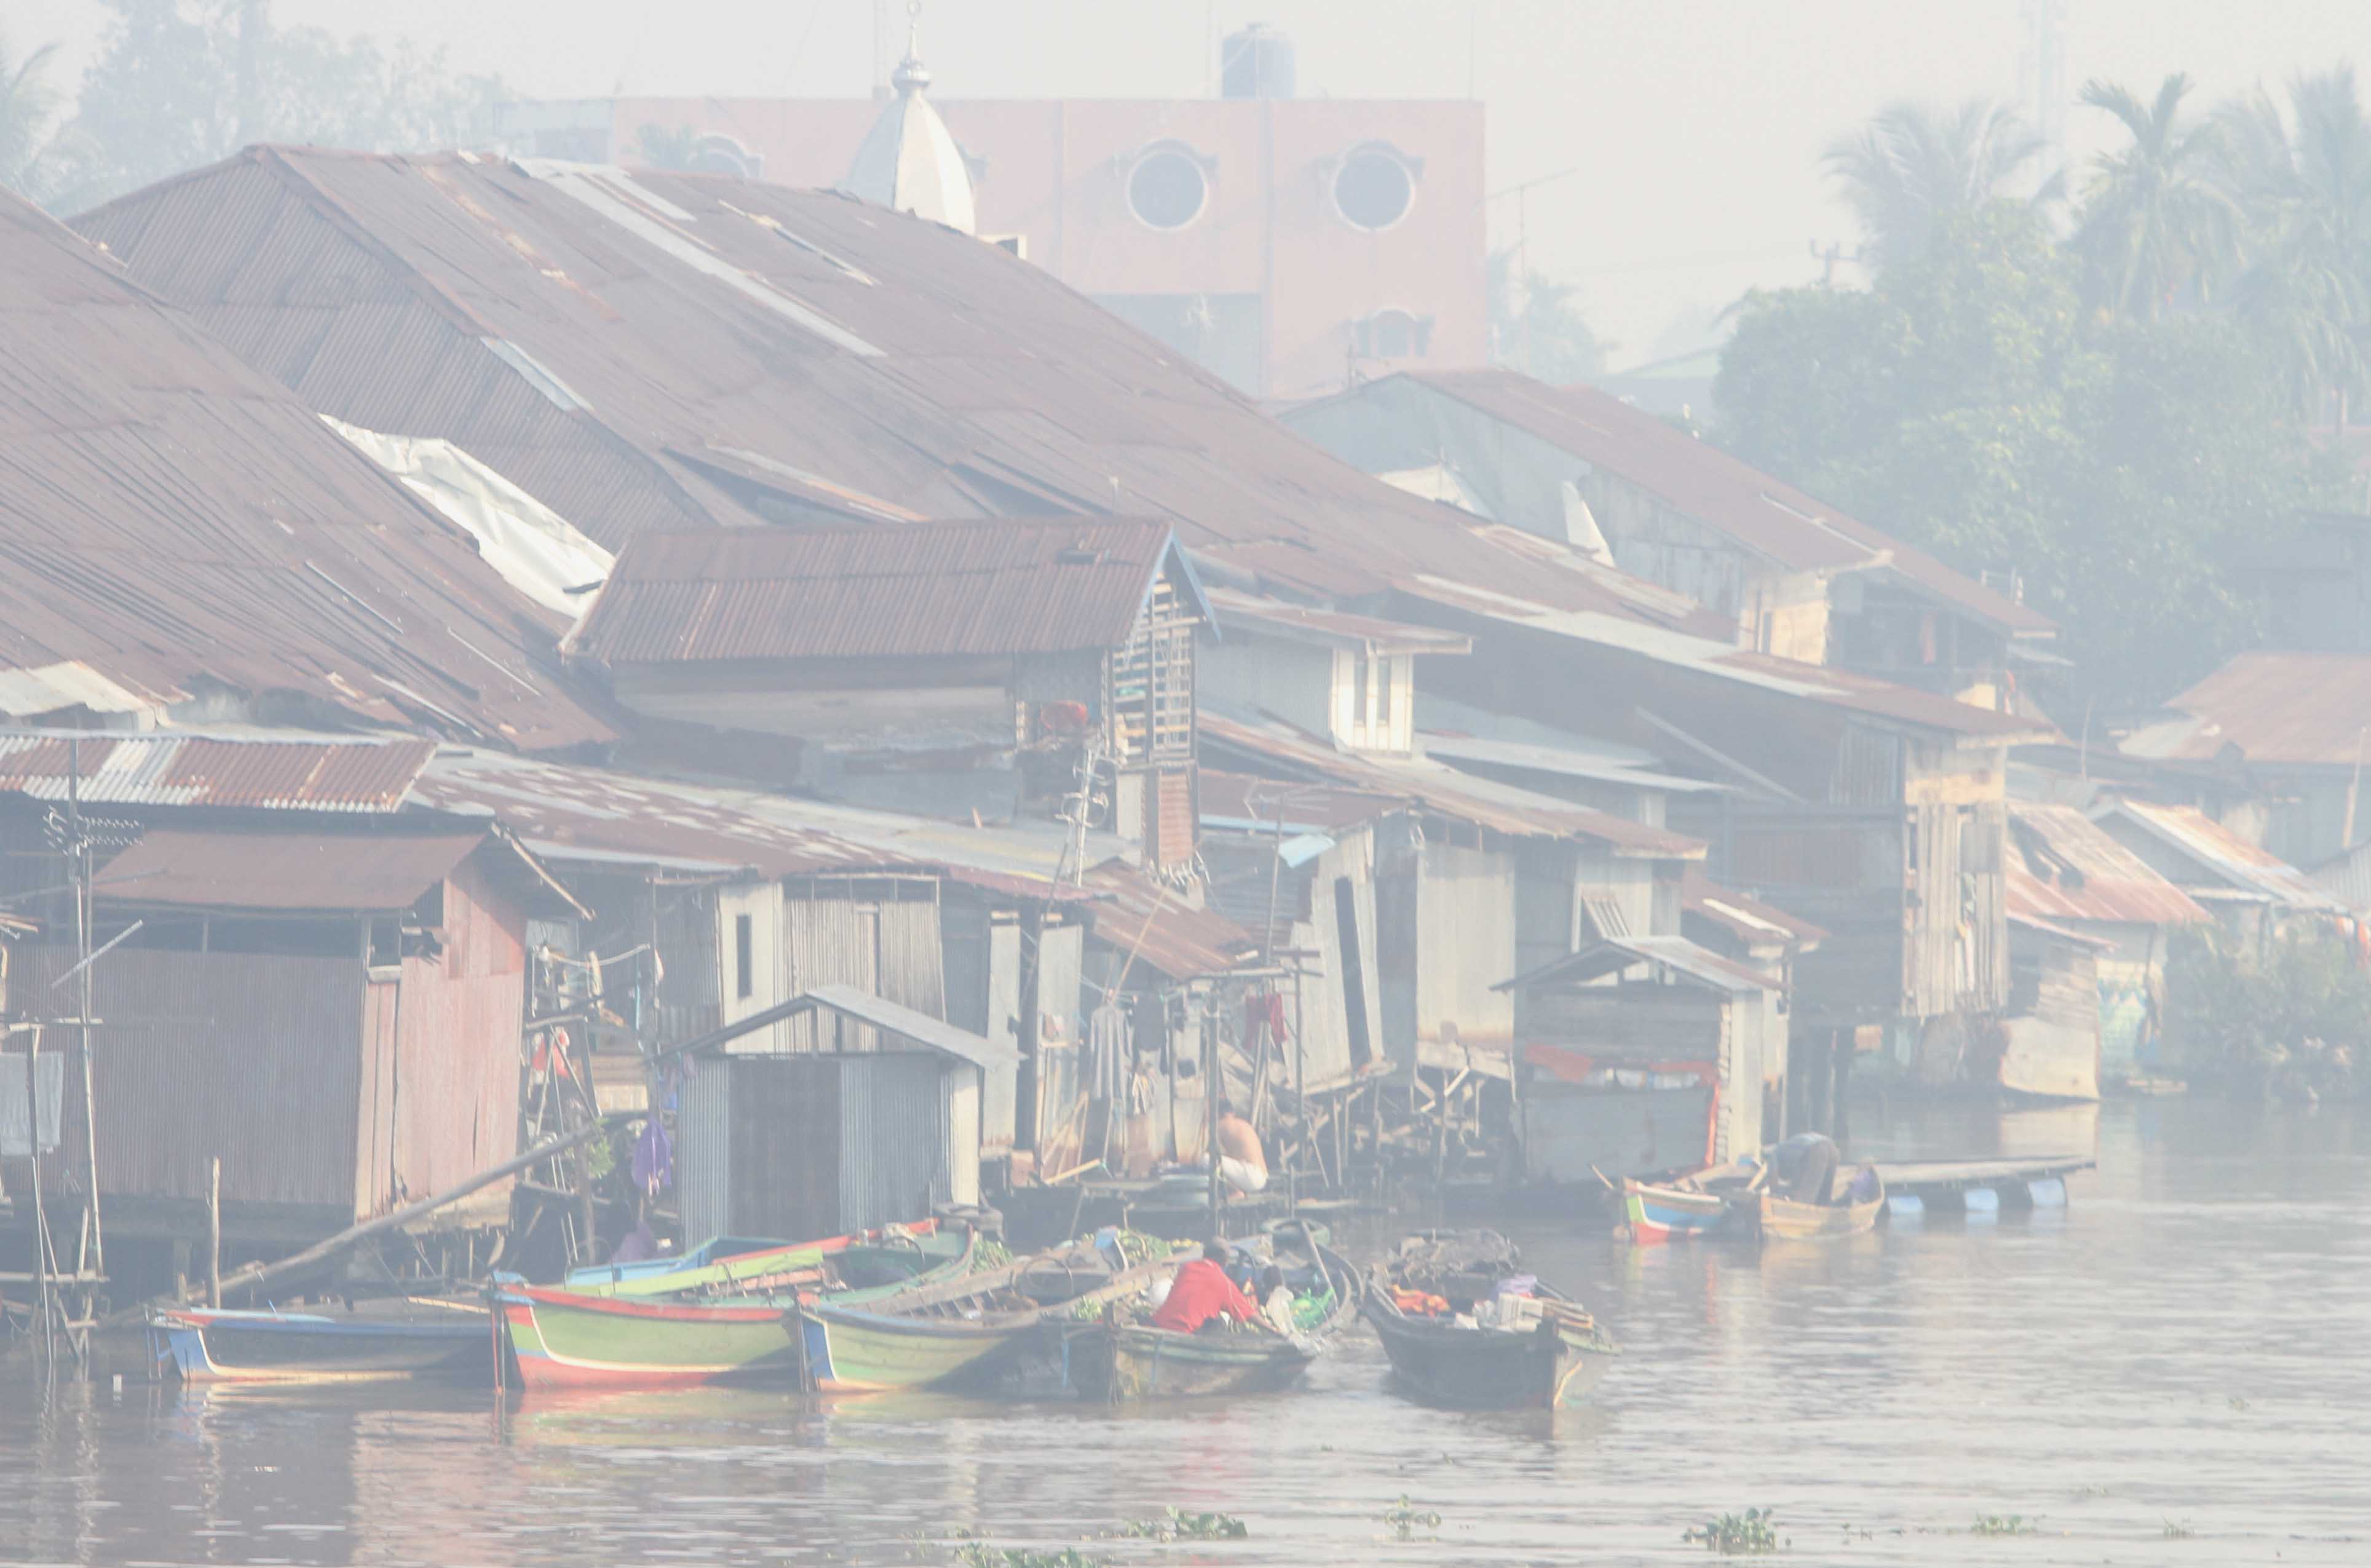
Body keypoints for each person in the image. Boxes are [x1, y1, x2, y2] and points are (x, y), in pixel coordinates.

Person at [1148, 1239, 1266, 1334]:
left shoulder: (1187, 1268)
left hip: (1160, 1324)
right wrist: (1272, 1329)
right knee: (1218, 1326)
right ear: (1224, 1259)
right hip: (1185, 1333)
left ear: (1204, 1254)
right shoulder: (1224, 1283)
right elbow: (1249, 1313)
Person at [1216, 1104, 1269, 1194]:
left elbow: (1204, 1148)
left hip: (1250, 1176)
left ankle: (1236, 1191)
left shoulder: (1222, 1124)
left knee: (1204, 1158)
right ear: (1232, 1113)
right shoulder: (1245, 1125)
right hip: (1262, 1177)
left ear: (1218, 1114)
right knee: (1222, 1161)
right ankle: (1235, 1190)